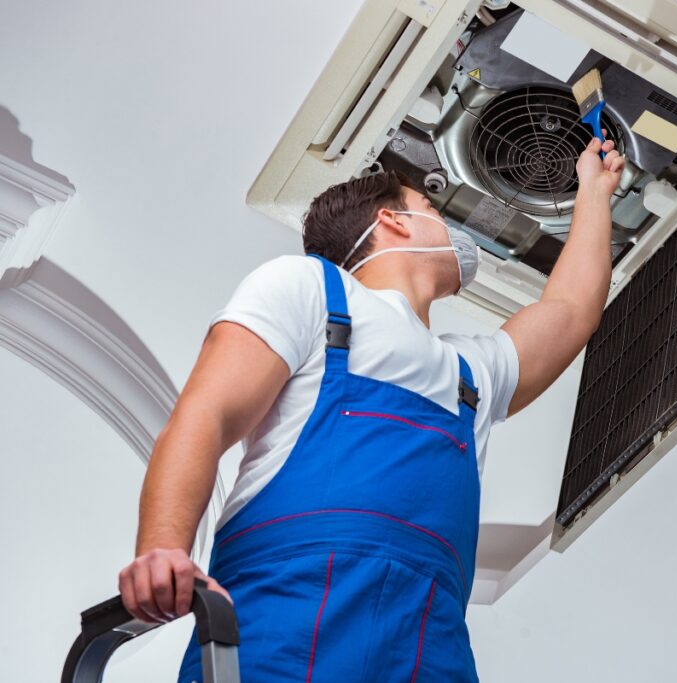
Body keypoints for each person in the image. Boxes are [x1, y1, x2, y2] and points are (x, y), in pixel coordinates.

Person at [117, 135, 624, 681]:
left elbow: (571, 311)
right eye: (431, 207)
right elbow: (206, 414)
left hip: (429, 638)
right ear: (394, 222)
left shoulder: (471, 372)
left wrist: (594, 192)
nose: (455, 229)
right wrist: (162, 549)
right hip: (288, 612)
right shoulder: (310, 286)